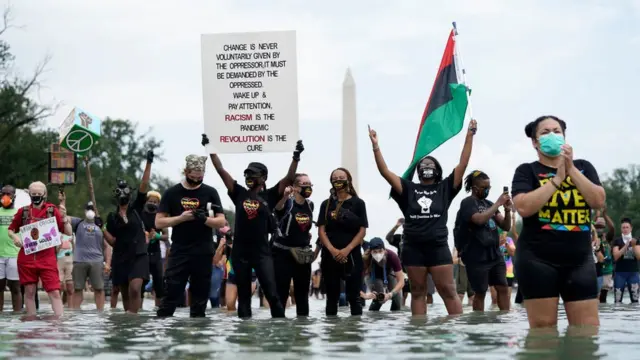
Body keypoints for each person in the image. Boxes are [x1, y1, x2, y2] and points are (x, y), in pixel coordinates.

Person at [368, 120, 476, 316]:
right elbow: (385, 172)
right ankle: (419, 335)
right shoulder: (408, 188)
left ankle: (456, 333)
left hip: (438, 247)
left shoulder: (445, 187)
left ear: (437, 170)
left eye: (431, 163)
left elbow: (463, 164)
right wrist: (376, 147)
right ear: (417, 171)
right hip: (413, 248)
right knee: (418, 293)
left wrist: (469, 136)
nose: (427, 165)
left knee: (448, 292)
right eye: (423, 163)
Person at [511, 115, 605, 328]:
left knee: (587, 331)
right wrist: (557, 180)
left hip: (579, 261)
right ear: (535, 142)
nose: (552, 135)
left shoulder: (584, 167)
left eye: (556, 131)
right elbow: (524, 207)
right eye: (545, 132)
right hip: (537, 261)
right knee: (543, 332)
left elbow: (597, 199)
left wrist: (570, 170)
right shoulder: (527, 171)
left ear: (564, 137)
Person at [207, 135, 304, 318]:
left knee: (273, 295)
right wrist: (211, 149)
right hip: (240, 254)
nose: (249, 177)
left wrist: (296, 157)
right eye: (247, 174)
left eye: (254, 174)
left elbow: (289, 178)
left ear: (264, 177)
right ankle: (246, 339)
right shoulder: (239, 193)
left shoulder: (271, 195)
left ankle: (278, 333)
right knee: (243, 299)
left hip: (262, 254)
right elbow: (221, 170)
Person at [155, 154, 226, 317]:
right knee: (172, 292)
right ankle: (164, 331)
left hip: (203, 250)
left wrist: (205, 219)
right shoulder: (172, 192)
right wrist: (181, 218)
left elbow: (221, 222)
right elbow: (158, 222)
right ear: (186, 171)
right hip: (180, 250)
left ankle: (198, 336)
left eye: (200, 178)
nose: (196, 181)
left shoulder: (210, 192)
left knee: (200, 298)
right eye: (193, 178)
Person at [7, 181, 72, 317]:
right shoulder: (23, 211)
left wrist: (65, 217)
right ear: (29, 194)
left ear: (45, 194)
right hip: (27, 258)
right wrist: (15, 238)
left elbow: (67, 232)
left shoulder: (52, 210)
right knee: (29, 291)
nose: (36, 196)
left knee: (54, 291)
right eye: (33, 194)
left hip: (47, 258)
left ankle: (59, 322)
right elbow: (11, 230)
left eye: (39, 194)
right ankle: (31, 320)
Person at [104, 150, 154, 314]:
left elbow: (143, 186)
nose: (123, 194)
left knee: (135, 287)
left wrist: (148, 163)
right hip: (121, 257)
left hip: (138, 254)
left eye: (126, 191)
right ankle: (129, 321)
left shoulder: (136, 209)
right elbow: (112, 242)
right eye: (120, 191)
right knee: (125, 293)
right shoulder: (112, 217)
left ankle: (136, 316)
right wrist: (101, 228)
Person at [455, 170, 512, 312]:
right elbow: (478, 220)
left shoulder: (489, 204)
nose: (488, 190)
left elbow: (505, 226)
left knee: (503, 287)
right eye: (485, 188)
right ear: (475, 188)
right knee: (480, 292)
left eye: (489, 187)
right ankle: (478, 322)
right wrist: (498, 203)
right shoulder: (467, 203)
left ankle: (505, 318)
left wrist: (507, 211)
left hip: (494, 254)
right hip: (476, 256)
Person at [318, 167, 368, 316]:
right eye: (335, 178)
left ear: (348, 180)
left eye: (341, 177)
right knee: (331, 298)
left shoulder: (358, 203)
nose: (338, 180)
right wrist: (333, 251)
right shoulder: (325, 204)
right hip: (329, 255)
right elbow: (321, 231)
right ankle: (332, 334)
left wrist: (347, 249)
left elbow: (362, 230)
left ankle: (355, 334)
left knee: (354, 298)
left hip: (352, 255)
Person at [272, 174, 316, 316]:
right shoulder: (287, 203)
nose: (307, 187)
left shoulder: (310, 205)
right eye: (304, 184)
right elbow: (277, 208)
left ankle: (302, 331)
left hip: (302, 254)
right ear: (296, 187)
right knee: (281, 293)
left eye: (309, 183)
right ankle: (279, 328)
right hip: (283, 254)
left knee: (302, 295)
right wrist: (284, 196)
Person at [69, 201, 110, 310]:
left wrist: (108, 264)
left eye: (92, 208)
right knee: (77, 288)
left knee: (99, 289)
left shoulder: (101, 226)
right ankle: (75, 313)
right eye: (88, 208)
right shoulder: (78, 223)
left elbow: (107, 246)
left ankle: (100, 313)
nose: (90, 210)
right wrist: (62, 202)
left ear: (96, 211)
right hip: (79, 260)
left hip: (97, 261)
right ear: (85, 210)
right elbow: (63, 217)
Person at [360, 238, 404, 311]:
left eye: (380, 251)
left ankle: (396, 319)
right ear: (370, 251)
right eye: (375, 252)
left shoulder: (392, 256)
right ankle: (373, 317)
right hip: (372, 276)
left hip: (389, 273)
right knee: (380, 299)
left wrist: (390, 294)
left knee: (397, 296)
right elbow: (354, 283)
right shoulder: (365, 259)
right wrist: (364, 295)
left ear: (384, 250)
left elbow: (401, 281)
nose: (378, 254)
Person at [140, 191, 168, 307]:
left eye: (155, 202)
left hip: (156, 253)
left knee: (159, 283)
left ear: (159, 204)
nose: (152, 203)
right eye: (150, 201)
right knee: (140, 283)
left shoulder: (160, 217)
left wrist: (157, 236)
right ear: (146, 202)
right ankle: (138, 309)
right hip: (142, 252)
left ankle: (159, 309)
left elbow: (166, 236)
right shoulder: (140, 215)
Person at [0, 185, 22, 311]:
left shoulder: (19, 213)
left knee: (15, 287)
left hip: (15, 254)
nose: (5, 197)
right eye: (3, 193)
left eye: (8, 194)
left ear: (14, 196)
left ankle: (17, 314)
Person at [612, 218, 640, 303]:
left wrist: (634, 246)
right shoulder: (617, 241)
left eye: (627, 227)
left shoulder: (636, 240)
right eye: (623, 227)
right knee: (617, 300)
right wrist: (626, 246)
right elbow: (616, 256)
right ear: (621, 229)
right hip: (620, 273)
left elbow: (638, 257)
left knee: (635, 300)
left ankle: (632, 316)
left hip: (633, 273)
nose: (625, 229)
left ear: (631, 228)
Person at [593, 212, 615, 303]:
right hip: (594, 270)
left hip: (606, 270)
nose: (599, 229)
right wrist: (596, 216)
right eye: (597, 227)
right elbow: (588, 224)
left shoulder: (607, 238)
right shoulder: (591, 237)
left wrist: (605, 215)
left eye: (601, 227)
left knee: (603, 298)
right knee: (594, 297)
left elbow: (612, 228)